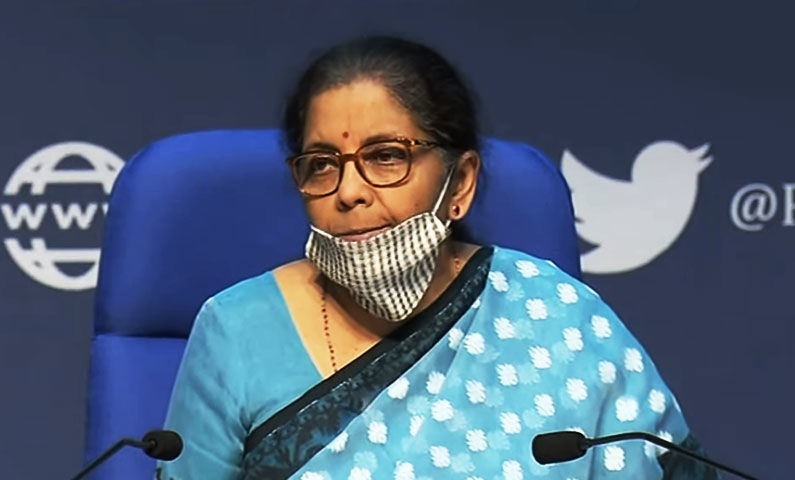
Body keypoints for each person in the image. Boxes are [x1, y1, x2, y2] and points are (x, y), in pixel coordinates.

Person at [157, 37, 716, 479]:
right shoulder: (236, 330)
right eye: (322, 164)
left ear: (461, 183)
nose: (348, 191)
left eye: (386, 156)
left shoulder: (556, 313)